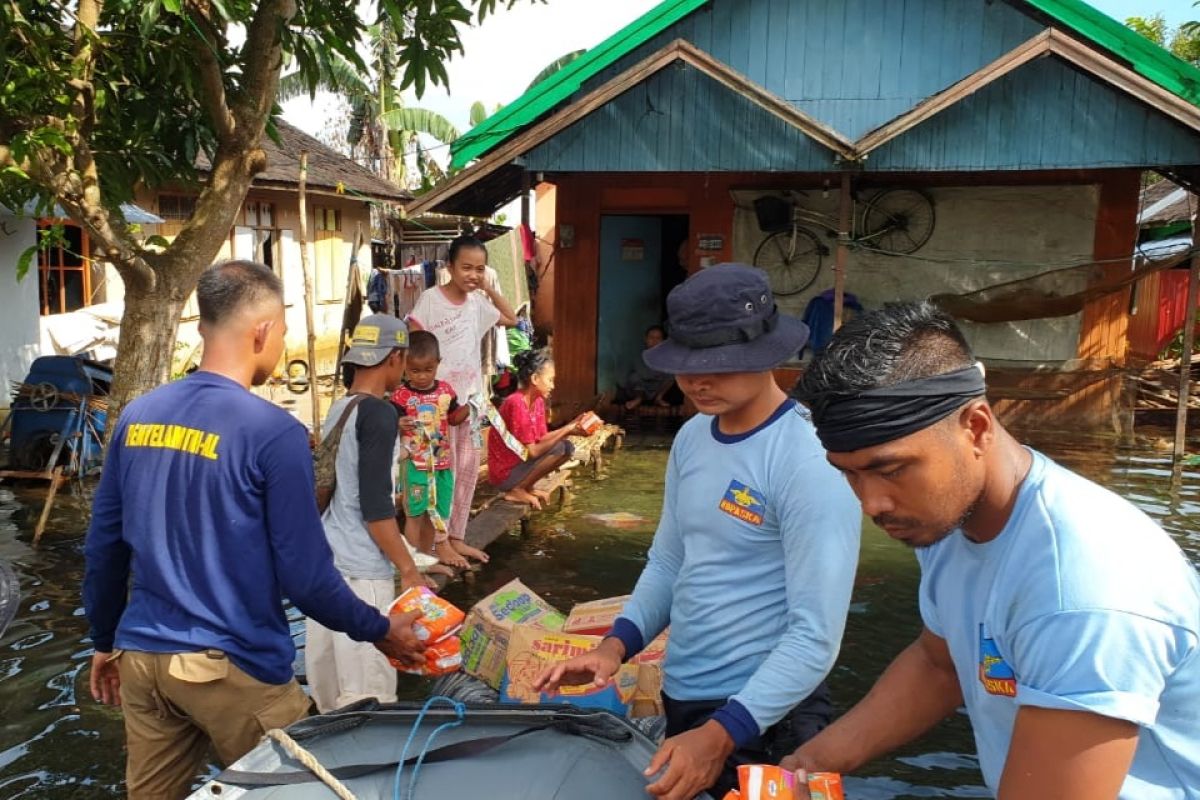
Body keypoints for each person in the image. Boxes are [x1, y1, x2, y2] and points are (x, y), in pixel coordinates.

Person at [784, 301, 1200, 799]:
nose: (871, 502)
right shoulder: (945, 518)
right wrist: (808, 765)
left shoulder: (1083, 590)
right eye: (848, 473)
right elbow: (940, 664)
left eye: (890, 469)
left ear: (976, 427)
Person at [82, 261, 424, 800]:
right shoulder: (273, 433)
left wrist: (104, 640)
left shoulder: (137, 415)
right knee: (312, 790)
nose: (281, 341)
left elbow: (103, 548)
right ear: (262, 331)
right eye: (283, 331)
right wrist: (378, 630)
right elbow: (307, 578)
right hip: (229, 668)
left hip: (143, 661)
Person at [536, 263, 862, 800]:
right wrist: (615, 646)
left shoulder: (807, 458)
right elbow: (669, 562)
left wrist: (721, 735)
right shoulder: (692, 437)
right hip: (686, 700)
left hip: (765, 715)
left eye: (718, 365)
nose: (696, 381)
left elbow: (815, 636)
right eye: (687, 364)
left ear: (766, 356)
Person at [305, 314, 434, 714]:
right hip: (363, 573)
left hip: (327, 568)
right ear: (395, 357)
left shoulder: (340, 408)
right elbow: (376, 510)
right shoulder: (379, 414)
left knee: (329, 694)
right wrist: (408, 569)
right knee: (368, 696)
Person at [408, 235, 517, 564]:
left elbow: (510, 318)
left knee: (467, 472)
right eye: (466, 268)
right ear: (449, 267)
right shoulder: (430, 300)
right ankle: (438, 543)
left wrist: (489, 288)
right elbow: (414, 338)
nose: (472, 275)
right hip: (436, 407)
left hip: (470, 403)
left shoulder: (478, 304)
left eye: (479, 269)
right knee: (441, 475)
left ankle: (456, 537)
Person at [391, 330, 470, 569]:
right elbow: (387, 427)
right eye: (415, 371)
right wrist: (397, 424)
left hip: (441, 463)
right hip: (415, 464)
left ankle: (426, 557)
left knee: (434, 513)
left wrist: (473, 407)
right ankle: (413, 563)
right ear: (404, 366)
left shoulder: (446, 391)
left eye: (428, 370)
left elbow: (455, 419)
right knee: (414, 514)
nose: (422, 376)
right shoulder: (400, 396)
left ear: (438, 364)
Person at [487, 348, 587, 509]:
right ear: (535, 378)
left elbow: (542, 439)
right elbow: (533, 451)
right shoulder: (516, 402)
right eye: (550, 380)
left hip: (519, 466)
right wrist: (567, 429)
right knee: (562, 447)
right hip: (504, 473)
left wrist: (571, 427)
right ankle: (517, 489)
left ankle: (526, 487)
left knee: (567, 447)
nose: (553, 386)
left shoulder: (538, 402)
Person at [614, 324, 679, 412]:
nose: (654, 341)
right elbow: (624, 380)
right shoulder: (637, 356)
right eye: (651, 337)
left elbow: (669, 377)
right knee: (634, 377)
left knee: (672, 376)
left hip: (656, 389)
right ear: (646, 339)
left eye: (658, 338)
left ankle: (658, 399)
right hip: (638, 389)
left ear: (663, 341)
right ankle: (638, 399)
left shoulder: (666, 358)